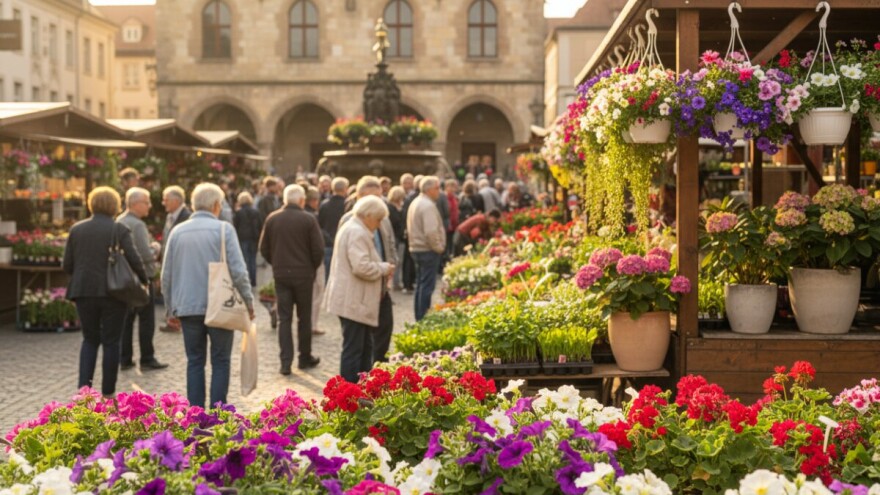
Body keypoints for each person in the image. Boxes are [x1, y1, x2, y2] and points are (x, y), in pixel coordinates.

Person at [162, 183, 255, 409]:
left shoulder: (178, 231)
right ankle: (217, 413)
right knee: (221, 361)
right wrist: (248, 302)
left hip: (187, 306)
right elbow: (239, 271)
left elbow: (166, 275)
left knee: (194, 361)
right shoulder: (224, 230)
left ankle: (195, 413)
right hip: (220, 305)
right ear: (215, 205)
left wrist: (169, 309)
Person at [64, 187, 148, 398]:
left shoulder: (77, 229)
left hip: (83, 291)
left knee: (89, 339)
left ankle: (84, 392)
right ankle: (108, 392)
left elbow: (67, 264)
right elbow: (134, 257)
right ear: (115, 205)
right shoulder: (119, 229)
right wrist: (145, 280)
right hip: (114, 292)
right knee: (112, 341)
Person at [324, 195, 394, 383]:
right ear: (368, 215)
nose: (379, 225)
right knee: (355, 350)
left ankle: (361, 389)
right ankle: (350, 393)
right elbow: (361, 267)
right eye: (378, 220)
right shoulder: (357, 232)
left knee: (363, 347)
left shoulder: (355, 228)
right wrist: (384, 268)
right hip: (354, 300)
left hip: (355, 300)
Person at [259, 184, 324, 374]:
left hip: (282, 275)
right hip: (304, 275)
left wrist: (277, 263)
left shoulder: (273, 218)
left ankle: (285, 362)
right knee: (304, 318)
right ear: (302, 200)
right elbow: (318, 250)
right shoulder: (308, 219)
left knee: (284, 319)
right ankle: (304, 357)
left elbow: (263, 248)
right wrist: (311, 268)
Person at [339, 176, 398, 364]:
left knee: (383, 331)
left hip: (380, 286)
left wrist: (391, 265)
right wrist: (382, 268)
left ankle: (376, 371)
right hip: (361, 291)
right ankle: (360, 382)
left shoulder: (382, 218)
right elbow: (357, 264)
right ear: (360, 197)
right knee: (358, 343)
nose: (378, 202)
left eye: (380, 197)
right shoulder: (351, 222)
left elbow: (390, 244)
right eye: (373, 198)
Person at [117, 188, 168, 371]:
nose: (149, 206)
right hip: (141, 278)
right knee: (146, 319)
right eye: (146, 202)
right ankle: (147, 358)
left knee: (127, 320)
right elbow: (144, 254)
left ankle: (125, 358)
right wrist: (155, 248)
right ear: (135, 203)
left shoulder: (119, 221)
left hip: (123, 279)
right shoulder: (137, 224)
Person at [407, 176, 446, 321]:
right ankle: (423, 318)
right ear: (429, 189)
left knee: (421, 285)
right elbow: (430, 232)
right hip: (427, 250)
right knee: (426, 287)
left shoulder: (417, 202)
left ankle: (420, 316)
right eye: (437, 188)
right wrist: (439, 247)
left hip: (417, 248)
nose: (439, 191)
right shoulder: (427, 205)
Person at [305, 186, 326, 336]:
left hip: (299, 261)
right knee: (317, 292)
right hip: (312, 261)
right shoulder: (311, 216)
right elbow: (317, 243)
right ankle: (312, 324)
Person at [318, 177, 349, 281]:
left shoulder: (324, 204)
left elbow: (320, 224)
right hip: (344, 244)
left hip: (328, 243)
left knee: (328, 274)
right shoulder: (348, 205)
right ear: (345, 189)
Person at [233, 191, 262, 287]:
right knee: (252, 260)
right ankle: (253, 281)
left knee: (244, 260)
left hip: (242, 238)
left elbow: (235, 226)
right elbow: (260, 225)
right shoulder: (256, 212)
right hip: (253, 238)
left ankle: (245, 281)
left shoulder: (238, 213)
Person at [386, 186, 406, 291]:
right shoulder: (390, 208)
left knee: (399, 261)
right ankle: (393, 282)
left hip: (400, 237)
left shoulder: (400, 207)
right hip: (394, 237)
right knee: (394, 261)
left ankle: (396, 281)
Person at [444, 179, 460, 258]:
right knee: (446, 244)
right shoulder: (444, 198)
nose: (452, 189)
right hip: (447, 225)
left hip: (454, 224)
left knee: (452, 243)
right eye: (450, 187)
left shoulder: (455, 198)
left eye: (454, 187)